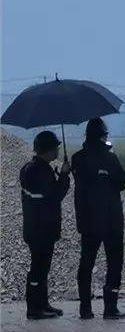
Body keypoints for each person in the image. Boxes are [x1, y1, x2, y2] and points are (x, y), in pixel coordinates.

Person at [72, 118, 125, 320]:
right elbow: (123, 182)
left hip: (88, 221)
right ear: (102, 137)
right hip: (111, 220)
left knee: (86, 263)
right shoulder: (110, 159)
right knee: (114, 263)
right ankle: (110, 308)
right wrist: (109, 154)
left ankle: (85, 308)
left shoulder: (77, 159)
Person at [20, 131, 70, 320]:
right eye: (55, 148)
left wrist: (58, 177)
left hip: (37, 227)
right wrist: (64, 176)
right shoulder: (38, 171)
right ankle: (34, 308)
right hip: (41, 228)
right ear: (47, 150)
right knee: (38, 268)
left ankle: (42, 304)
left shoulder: (32, 169)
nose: (57, 150)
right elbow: (54, 196)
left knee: (42, 267)